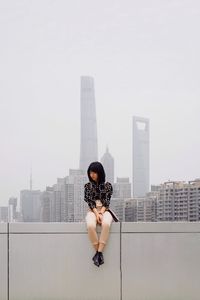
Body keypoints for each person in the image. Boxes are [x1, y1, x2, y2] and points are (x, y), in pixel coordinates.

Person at [84, 161, 119, 267]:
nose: (92, 175)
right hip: (92, 210)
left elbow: (107, 202)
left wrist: (101, 213)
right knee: (90, 225)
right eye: (90, 173)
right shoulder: (88, 186)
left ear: (100, 172)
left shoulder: (107, 186)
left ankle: (99, 253)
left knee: (106, 224)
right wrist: (97, 213)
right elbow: (90, 202)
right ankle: (98, 252)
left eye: (94, 172)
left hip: (105, 210)